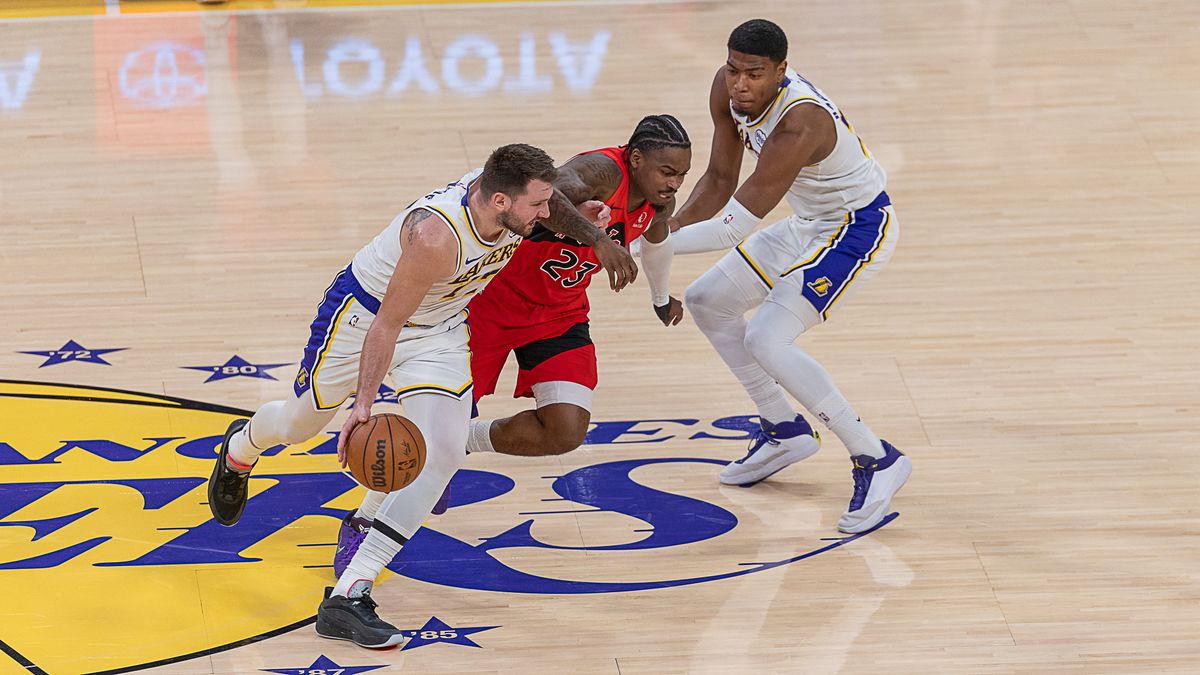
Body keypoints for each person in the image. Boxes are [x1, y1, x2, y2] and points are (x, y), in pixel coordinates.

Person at [205, 143, 636, 648]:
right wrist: (364, 406)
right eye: (539, 205)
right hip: (365, 318)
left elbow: (558, 205)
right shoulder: (436, 235)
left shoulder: (513, 198)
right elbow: (387, 325)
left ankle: (349, 594)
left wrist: (584, 225)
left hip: (439, 327)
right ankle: (242, 446)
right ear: (500, 201)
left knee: (444, 451)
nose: (547, 213)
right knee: (302, 425)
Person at [332, 115, 693, 576]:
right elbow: (549, 192)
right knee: (418, 437)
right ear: (636, 159)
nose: (675, 183)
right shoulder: (603, 171)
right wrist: (597, 237)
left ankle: (460, 444)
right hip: (490, 305)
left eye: (681, 173)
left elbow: (658, 243)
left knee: (565, 430)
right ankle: (362, 522)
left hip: (558, 316)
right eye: (667, 172)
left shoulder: (659, 201)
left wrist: (661, 299)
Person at [669, 19, 910, 535]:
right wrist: (661, 229)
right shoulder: (727, 88)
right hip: (809, 223)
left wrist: (643, 243)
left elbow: (730, 229)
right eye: (734, 70)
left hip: (856, 227)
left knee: (767, 337)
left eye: (753, 74)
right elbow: (717, 181)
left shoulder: (802, 123)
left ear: (781, 71)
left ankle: (877, 458)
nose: (739, 84)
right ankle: (784, 428)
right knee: (707, 299)